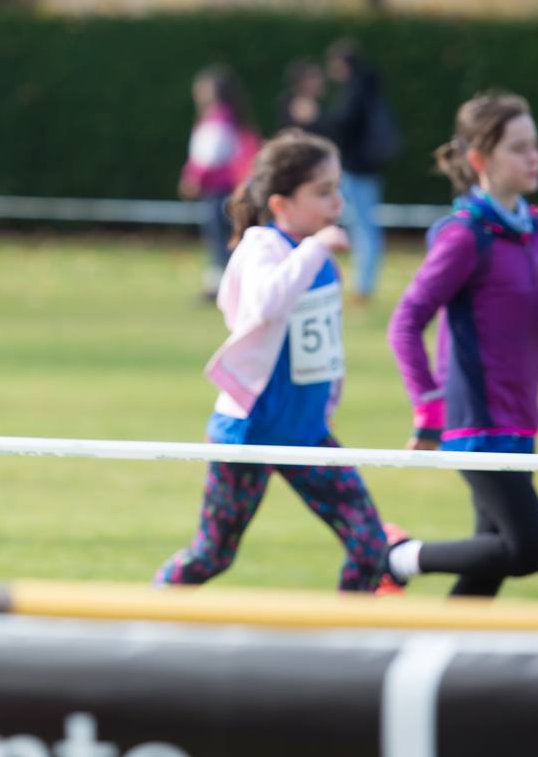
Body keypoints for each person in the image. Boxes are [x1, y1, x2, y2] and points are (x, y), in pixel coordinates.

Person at [384, 91, 538, 597]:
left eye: (535, 145)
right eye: (517, 148)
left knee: (489, 570)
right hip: (475, 423)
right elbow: (405, 322)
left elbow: (535, 335)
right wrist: (428, 406)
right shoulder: (466, 236)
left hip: (520, 421)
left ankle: (443, 665)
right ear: (479, 161)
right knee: (530, 548)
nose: (533, 157)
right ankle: (397, 558)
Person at [155, 130, 391, 593]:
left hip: (306, 433)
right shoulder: (264, 246)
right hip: (248, 434)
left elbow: (322, 348)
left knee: (370, 546)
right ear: (282, 204)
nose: (336, 203)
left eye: (337, 189)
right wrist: (316, 247)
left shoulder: (317, 257)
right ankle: (147, 616)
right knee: (212, 555)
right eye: (322, 192)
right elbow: (265, 305)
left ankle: (344, 651)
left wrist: (327, 404)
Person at [316, 39, 402, 304]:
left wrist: (317, 118)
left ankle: (363, 286)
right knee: (362, 226)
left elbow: (343, 125)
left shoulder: (355, 93)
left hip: (357, 168)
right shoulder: (366, 90)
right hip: (364, 168)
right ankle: (360, 284)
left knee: (363, 228)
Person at [178, 65, 262, 299]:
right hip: (226, 187)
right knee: (226, 238)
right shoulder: (229, 117)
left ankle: (222, 288)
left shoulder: (219, 118)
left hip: (221, 188)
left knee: (220, 240)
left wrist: (194, 177)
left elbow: (210, 154)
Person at [275, 60, 325, 132]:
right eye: (314, 77)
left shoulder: (313, 104)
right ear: (301, 82)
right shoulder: (301, 104)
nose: (321, 81)